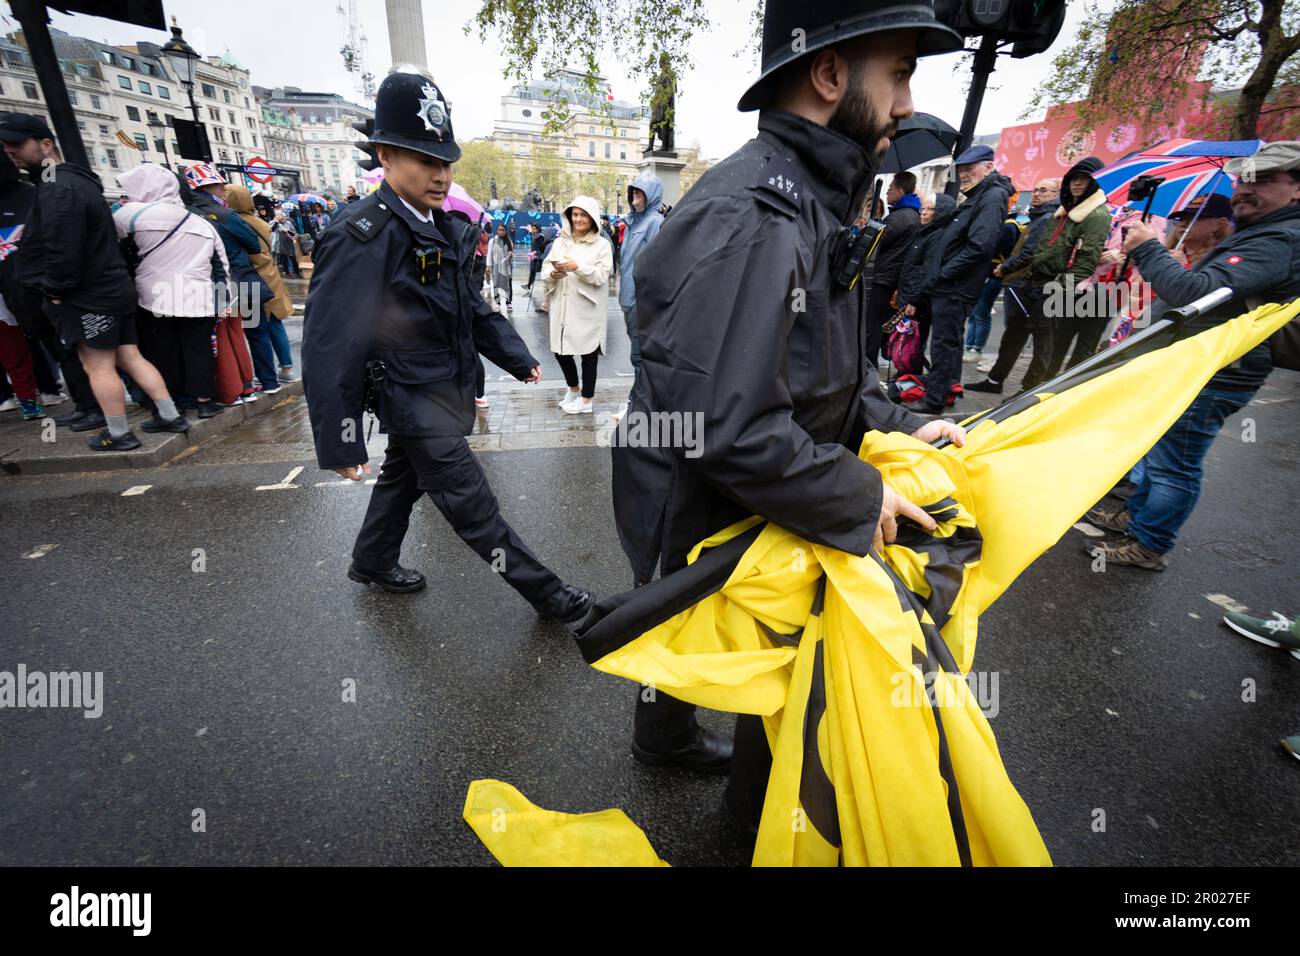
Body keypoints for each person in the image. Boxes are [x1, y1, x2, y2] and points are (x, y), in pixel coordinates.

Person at [609, 0, 966, 832]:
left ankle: (685, 752)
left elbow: (816, 363)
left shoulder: (810, 197)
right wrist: (854, 495)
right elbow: (729, 421)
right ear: (831, 73)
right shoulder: (757, 214)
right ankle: (731, 814)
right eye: (900, 73)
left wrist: (891, 420)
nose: (908, 104)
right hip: (697, 486)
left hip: (746, 480)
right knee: (690, 618)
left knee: (718, 633)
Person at [301, 68, 593, 622]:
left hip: (440, 387)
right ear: (385, 156)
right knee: (475, 509)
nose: (440, 174)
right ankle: (551, 597)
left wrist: (515, 355)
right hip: (412, 398)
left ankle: (373, 559)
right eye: (425, 161)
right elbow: (329, 344)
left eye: (445, 161)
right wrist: (340, 442)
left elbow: (468, 308)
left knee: (401, 480)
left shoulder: (436, 223)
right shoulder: (360, 234)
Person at [1084, 140, 1300, 570]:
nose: (1245, 187)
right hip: (1195, 364)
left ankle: (1150, 545)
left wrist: (1148, 248)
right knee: (1159, 450)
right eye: (1243, 178)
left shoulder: (1278, 238)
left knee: (1174, 464)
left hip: (1213, 372)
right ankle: (1136, 520)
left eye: (1264, 178)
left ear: (1296, 189)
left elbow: (1194, 295)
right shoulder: (1262, 232)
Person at [1, 113, 188, 450]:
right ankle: (170, 414)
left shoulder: (58, 187)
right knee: (130, 355)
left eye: (17, 143)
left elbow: (62, 245)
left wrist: (56, 291)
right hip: (112, 287)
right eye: (6, 145)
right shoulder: (80, 182)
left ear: (46, 144)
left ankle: (118, 433)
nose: (9, 150)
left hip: (89, 292)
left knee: (98, 364)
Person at [900, 144, 1014, 412]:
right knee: (950, 342)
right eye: (961, 169)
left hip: (954, 287)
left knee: (943, 343)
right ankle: (947, 390)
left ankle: (935, 399)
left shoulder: (992, 195)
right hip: (953, 285)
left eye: (970, 169)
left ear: (988, 166)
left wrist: (942, 274)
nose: (963, 174)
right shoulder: (981, 194)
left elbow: (980, 246)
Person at [113, 163, 230, 422]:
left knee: (161, 352)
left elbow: (120, 258)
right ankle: (204, 401)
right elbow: (220, 264)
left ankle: (170, 401)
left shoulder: (126, 217)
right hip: (199, 297)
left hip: (152, 298)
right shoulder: (199, 222)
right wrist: (222, 299)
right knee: (198, 349)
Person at [185, 164, 280, 397]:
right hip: (240, 280)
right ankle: (266, 382)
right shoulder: (227, 215)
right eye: (220, 185)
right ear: (208, 187)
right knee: (255, 332)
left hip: (206, 283)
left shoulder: (187, 214)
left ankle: (232, 387)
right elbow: (253, 244)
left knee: (221, 339)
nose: (224, 189)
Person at [967, 177, 1061, 394]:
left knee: (1033, 341)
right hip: (1024, 285)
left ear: (1053, 195)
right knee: (1014, 338)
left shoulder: (1047, 218)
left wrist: (1004, 268)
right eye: (1036, 189)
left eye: (1043, 190)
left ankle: (1027, 388)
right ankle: (995, 381)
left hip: (1029, 286)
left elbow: (1030, 252)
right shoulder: (1040, 217)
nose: (1036, 193)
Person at [1040, 158, 1115, 378]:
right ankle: (1046, 384)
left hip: (1105, 289)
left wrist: (1120, 253)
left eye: (1084, 179)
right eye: (1074, 178)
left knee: (1085, 344)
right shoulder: (1091, 207)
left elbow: (1143, 250)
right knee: (1060, 337)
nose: (1077, 183)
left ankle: (1068, 387)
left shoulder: (1145, 216)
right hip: (1077, 284)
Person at [542, 195, 612, 414]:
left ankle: (586, 400)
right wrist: (554, 272)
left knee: (588, 354)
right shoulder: (560, 241)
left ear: (592, 219)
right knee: (560, 350)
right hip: (561, 306)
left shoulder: (602, 245)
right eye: (575, 214)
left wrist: (577, 267)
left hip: (587, 309)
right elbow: (545, 268)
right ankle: (573, 388)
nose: (579, 219)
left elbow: (602, 275)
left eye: (583, 215)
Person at [226, 184, 297, 383]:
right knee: (276, 324)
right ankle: (286, 367)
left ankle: (266, 374)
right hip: (271, 276)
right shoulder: (260, 222)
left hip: (252, 278)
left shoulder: (235, 223)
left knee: (257, 329)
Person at [616, 171, 664, 411]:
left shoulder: (655, 222)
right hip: (628, 300)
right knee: (637, 354)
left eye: (640, 190)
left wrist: (643, 300)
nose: (635, 193)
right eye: (633, 189)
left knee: (639, 356)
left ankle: (637, 404)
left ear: (651, 195)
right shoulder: (634, 222)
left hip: (639, 301)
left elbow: (656, 264)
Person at [865, 170, 921, 363]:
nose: (887, 192)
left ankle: (867, 364)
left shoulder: (899, 218)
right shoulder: (911, 214)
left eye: (890, 189)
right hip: (890, 277)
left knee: (871, 325)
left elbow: (874, 243)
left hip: (882, 277)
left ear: (899, 191)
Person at [487, 222, 514, 314]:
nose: (501, 232)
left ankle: (509, 302)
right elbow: (489, 254)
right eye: (499, 230)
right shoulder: (492, 241)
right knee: (495, 285)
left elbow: (512, 253)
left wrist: (510, 255)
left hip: (507, 267)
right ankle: (497, 302)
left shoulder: (508, 241)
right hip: (496, 267)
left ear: (505, 231)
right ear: (497, 231)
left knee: (508, 284)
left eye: (503, 230)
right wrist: (488, 265)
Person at [271, 210, 298, 277]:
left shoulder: (288, 222)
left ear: (283, 215)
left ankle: (297, 273)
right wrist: (276, 223)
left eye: (280, 214)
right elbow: (271, 230)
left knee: (293, 258)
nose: (279, 216)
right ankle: (287, 273)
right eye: (277, 214)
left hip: (289, 243)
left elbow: (294, 232)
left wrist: (287, 231)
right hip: (279, 244)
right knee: (283, 259)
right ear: (275, 216)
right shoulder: (272, 222)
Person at [523, 222, 548, 291]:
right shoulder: (534, 236)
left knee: (540, 272)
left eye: (534, 229)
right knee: (532, 271)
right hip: (533, 256)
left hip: (538, 257)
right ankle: (528, 285)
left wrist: (536, 252)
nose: (533, 230)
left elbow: (541, 247)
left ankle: (547, 286)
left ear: (538, 229)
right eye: (532, 229)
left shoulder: (540, 237)